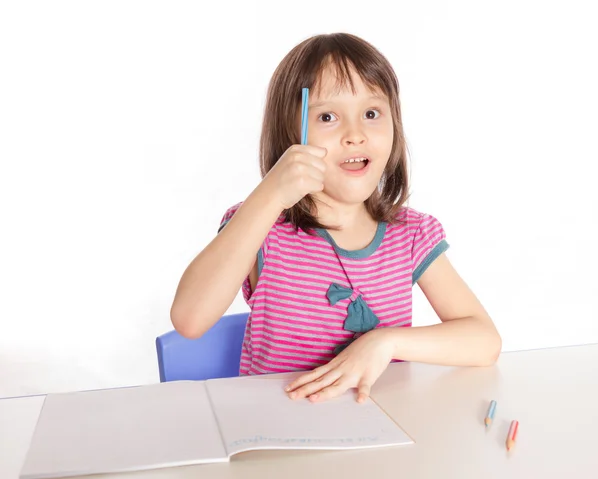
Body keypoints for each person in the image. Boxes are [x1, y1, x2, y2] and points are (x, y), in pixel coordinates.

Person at [170, 32, 502, 403]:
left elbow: (484, 341)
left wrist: (385, 341)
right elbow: (190, 319)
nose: (354, 135)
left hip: (379, 429)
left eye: (371, 114)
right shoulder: (261, 226)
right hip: (281, 433)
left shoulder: (409, 234)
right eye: (327, 116)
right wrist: (270, 194)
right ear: (289, 132)